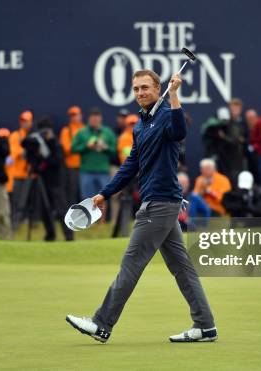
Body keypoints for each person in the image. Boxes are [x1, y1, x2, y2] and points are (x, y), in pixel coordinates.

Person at [66, 70, 217, 343]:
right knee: (182, 268)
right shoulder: (140, 124)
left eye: (145, 87)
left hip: (159, 203)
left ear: (158, 88)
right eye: (136, 89)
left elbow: (180, 132)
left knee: (131, 264)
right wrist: (104, 194)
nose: (140, 93)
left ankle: (102, 323)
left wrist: (174, 95)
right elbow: (131, 165)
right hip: (161, 203)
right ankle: (206, 326)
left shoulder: (167, 116)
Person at [22, 116, 73, 241]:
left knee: (61, 210)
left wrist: (45, 156)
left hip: (56, 182)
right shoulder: (37, 143)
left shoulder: (56, 144)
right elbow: (31, 157)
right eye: (42, 133)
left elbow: (55, 161)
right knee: (45, 209)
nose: (44, 135)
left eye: (46, 132)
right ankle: (50, 235)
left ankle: (69, 236)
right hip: (42, 181)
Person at [71, 108, 116, 200]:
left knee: (103, 198)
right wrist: (86, 146)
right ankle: (88, 215)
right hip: (86, 170)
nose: (95, 121)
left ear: (100, 119)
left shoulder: (108, 132)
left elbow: (114, 151)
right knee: (86, 200)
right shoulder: (82, 132)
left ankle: (103, 215)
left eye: (97, 119)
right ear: (89, 119)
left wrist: (105, 147)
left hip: (103, 170)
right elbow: (73, 149)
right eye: (93, 119)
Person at [8, 111, 33, 229]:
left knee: (25, 201)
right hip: (17, 174)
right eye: (22, 121)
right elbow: (15, 152)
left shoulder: (33, 135)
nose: (24, 123)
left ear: (31, 122)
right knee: (16, 200)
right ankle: (14, 223)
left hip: (29, 174)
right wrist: (24, 151)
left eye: (26, 121)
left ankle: (24, 221)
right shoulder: (15, 135)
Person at [59, 106, 85, 206]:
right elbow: (66, 149)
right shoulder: (66, 130)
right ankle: (72, 216)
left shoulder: (85, 129)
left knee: (85, 193)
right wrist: (83, 145)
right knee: (72, 193)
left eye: (76, 115)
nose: (74, 117)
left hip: (85, 166)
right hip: (72, 167)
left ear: (81, 115)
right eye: (72, 115)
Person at [244, 109, 260, 180]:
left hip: (260, 159)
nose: (251, 120)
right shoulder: (243, 129)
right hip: (246, 160)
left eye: (253, 118)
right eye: (249, 118)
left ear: (257, 118)